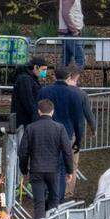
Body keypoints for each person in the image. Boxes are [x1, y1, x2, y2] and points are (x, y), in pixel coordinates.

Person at [17, 99, 74, 218]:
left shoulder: (30, 128)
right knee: (54, 200)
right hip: (53, 170)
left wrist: (24, 170)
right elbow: (68, 151)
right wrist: (69, 170)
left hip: (36, 170)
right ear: (52, 112)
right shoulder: (59, 128)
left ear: (39, 111)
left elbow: (23, 152)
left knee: (39, 203)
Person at [38, 66, 86, 200]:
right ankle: (58, 198)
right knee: (63, 167)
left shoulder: (44, 91)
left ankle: (46, 193)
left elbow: (36, 111)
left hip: (45, 133)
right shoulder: (75, 94)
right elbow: (78, 119)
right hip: (66, 134)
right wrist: (78, 139)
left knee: (46, 163)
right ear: (68, 77)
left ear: (54, 76)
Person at [10, 55, 49, 128]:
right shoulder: (25, 80)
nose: (45, 73)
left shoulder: (30, 79)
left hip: (26, 120)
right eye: (43, 70)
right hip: (23, 121)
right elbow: (28, 101)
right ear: (36, 67)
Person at [58, 0, 86, 69]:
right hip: (69, 33)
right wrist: (74, 30)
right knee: (80, 59)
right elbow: (66, 14)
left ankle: (61, 81)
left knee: (65, 61)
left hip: (70, 33)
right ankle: (73, 81)